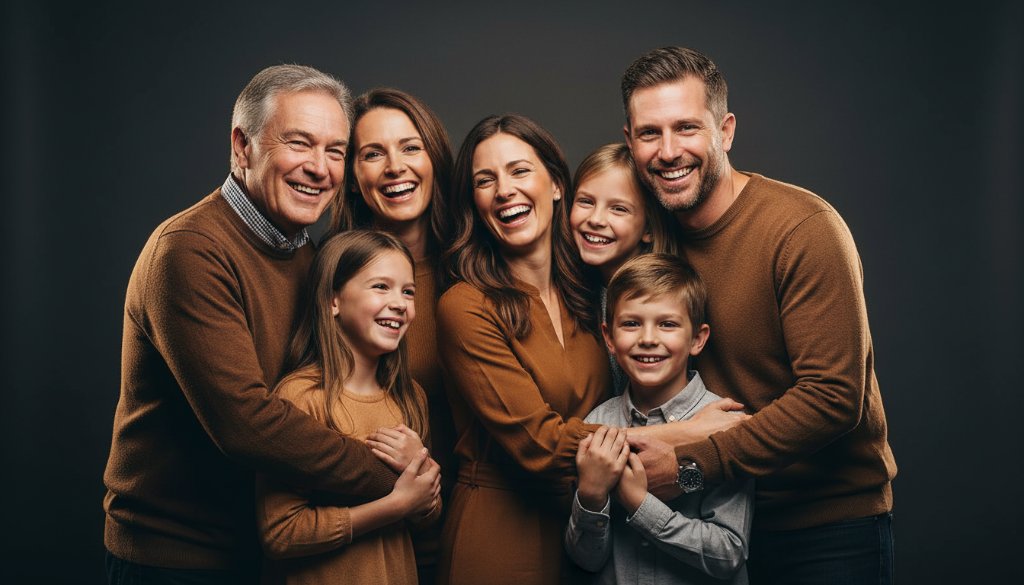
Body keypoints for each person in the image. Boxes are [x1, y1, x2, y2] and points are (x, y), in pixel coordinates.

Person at [102, 65, 398, 584]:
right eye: (300, 143)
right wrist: (388, 478)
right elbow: (246, 423)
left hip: (273, 547)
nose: (320, 168)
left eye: (335, 151)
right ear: (243, 146)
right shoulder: (191, 250)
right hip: (177, 558)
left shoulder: (309, 259)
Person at [620, 46, 897, 584]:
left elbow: (833, 397)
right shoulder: (650, 242)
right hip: (710, 523)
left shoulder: (803, 228)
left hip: (824, 527)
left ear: (724, 131)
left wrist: (688, 463)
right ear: (629, 143)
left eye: (687, 128)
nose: (669, 151)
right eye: (650, 133)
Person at [434, 114, 611, 585]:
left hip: (588, 530)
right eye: (484, 180)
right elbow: (540, 445)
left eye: (519, 171)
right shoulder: (464, 305)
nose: (503, 190)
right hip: (498, 536)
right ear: (474, 203)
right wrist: (681, 438)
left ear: (555, 183)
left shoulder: (591, 295)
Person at [256, 230, 441, 585]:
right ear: (333, 301)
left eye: (408, 291)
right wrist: (395, 505)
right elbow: (280, 533)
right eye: (381, 287)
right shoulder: (301, 396)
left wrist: (422, 470)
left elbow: (427, 517)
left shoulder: (411, 397)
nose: (400, 303)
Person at [565, 253, 754, 584]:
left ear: (697, 338)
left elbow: (728, 553)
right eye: (631, 323)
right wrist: (592, 497)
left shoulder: (724, 424)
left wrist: (640, 505)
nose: (648, 338)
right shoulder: (597, 423)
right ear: (609, 337)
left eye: (667, 324)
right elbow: (586, 561)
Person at [330, 88, 455, 584]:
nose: (394, 167)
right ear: (354, 179)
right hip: (359, 547)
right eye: (372, 153)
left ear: (434, 159)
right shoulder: (330, 279)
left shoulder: (474, 275)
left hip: (453, 532)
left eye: (410, 147)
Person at [569, 142, 677, 394]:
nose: (596, 220)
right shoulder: (577, 291)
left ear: (648, 229)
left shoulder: (667, 298)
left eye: (618, 209)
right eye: (585, 201)